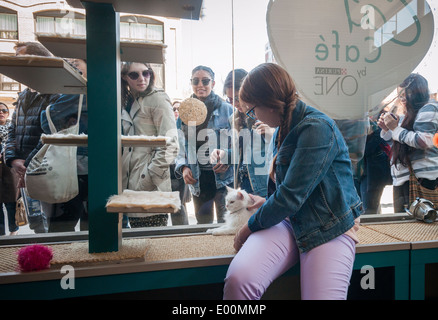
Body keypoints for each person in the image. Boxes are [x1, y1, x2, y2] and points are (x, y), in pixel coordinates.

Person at [223, 63, 362, 300]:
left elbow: (291, 196)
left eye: (252, 109)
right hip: (289, 220)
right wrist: (267, 201)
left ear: (270, 103)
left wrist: (248, 227)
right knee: (239, 281)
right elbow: (296, 191)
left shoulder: (317, 127)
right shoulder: (284, 126)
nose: (253, 116)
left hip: (328, 226)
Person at [26, 59, 89, 232]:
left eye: (76, 62)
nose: (72, 65)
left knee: (62, 225)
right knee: (88, 225)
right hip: (86, 164)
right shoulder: (101, 90)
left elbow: (47, 120)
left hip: (74, 164)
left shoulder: (76, 92)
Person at [4, 42, 59, 234]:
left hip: (44, 170)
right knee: (36, 223)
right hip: (23, 170)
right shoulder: (23, 95)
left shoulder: (54, 92)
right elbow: (12, 129)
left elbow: (52, 133)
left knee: (51, 224)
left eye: (21, 59)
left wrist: (26, 163)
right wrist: (12, 159)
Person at [121, 62, 178, 228]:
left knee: (153, 241)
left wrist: (147, 178)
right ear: (125, 77)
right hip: (132, 181)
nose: (141, 78)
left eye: (146, 73)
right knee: (140, 239)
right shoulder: (129, 99)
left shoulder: (158, 98)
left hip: (150, 183)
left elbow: (171, 144)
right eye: (134, 75)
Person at [175, 65, 234, 224]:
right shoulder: (184, 113)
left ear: (213, 84)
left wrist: (228, 158)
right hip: (198, 180)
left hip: (224, 179)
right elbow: (178, 147)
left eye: (205, 81)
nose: (200, 85)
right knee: (202, 226)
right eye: (196, 81)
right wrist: (183, 167)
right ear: (191, 83)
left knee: (227, 225)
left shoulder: (228, 111)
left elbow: (240, 144)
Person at [378, 73, 438, 213]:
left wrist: (395, 128)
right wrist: (387, 129)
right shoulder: (410, 112)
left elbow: (423, 140)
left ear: (416, 92)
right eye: (400, 94)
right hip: (404, 179)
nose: (402, 98)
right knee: (405, 228)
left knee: (419, 230)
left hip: (421, 179)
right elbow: (401, 141)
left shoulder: (429, 108)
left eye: (405, 93)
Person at [211, 68, 272, 197]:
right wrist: (224, 154)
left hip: (265, 185)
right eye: (230, 99)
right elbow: (242, 155)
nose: (235, 104)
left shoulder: (266, 113)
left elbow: (277, 152)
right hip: (245, 183)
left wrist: (272, 135)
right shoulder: (234, 118)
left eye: (238, 98)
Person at [0, 103, 18, 236]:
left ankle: (13, 232)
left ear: (7, 113)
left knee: (12, 202)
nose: (1, 113)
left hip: (9, 170)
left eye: (4, 110)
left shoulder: (13, 128)